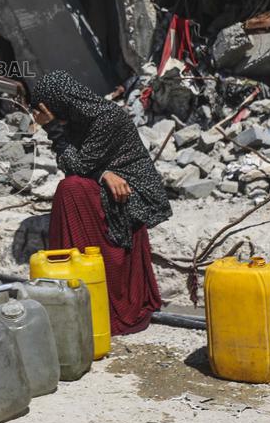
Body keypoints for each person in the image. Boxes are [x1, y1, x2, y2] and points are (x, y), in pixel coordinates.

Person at [31, 70, 171, 335]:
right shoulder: (77, 119)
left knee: (71, 188)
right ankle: (74, 287)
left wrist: (53, 130)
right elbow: (75, 167)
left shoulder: (106, 117)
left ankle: (89, 289)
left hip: (133, 191)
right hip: (108, 183)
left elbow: (76, 167)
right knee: (71, 188)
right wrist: (104, 173)